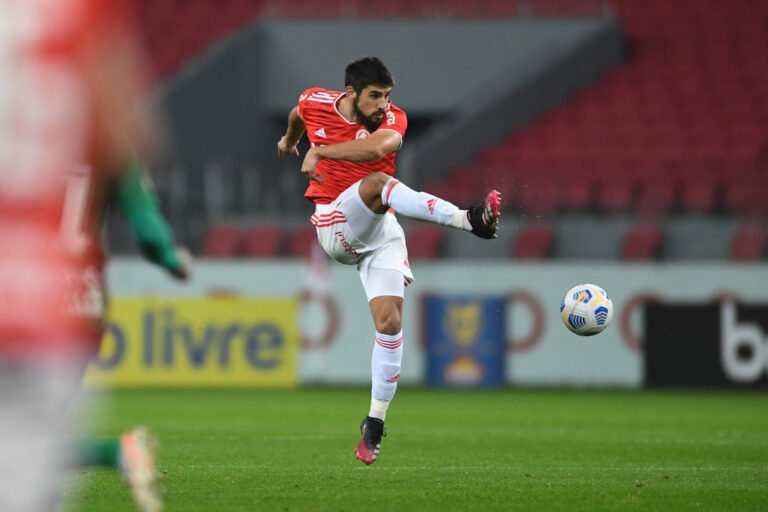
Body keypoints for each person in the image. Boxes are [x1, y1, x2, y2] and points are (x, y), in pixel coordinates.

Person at [277, 56, 500, 465]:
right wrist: (291, 140)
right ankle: (470, 220)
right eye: (375, 96)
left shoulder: (393, 120)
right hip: (335, 225)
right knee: (379, 184)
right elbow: (298, 112)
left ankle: (374, 422)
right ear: (350, 95)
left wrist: (318, 149)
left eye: (388, 96)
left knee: (390, 322)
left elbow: (378, 148)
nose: (384, 105)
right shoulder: (316, 101)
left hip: (381, 231)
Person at [0, 0, 167, 510]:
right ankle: (118, 450)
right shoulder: (86, 16)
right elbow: (135, 136)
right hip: (56, 298)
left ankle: (117, 451)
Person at [65, 150, 191, 512]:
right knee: (27, 436)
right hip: (83, 300)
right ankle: (119, 453)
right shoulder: (106, 135)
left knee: (21, 438)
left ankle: (116, 453)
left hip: (21, 294)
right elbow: (147, 226)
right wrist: (172, 259)